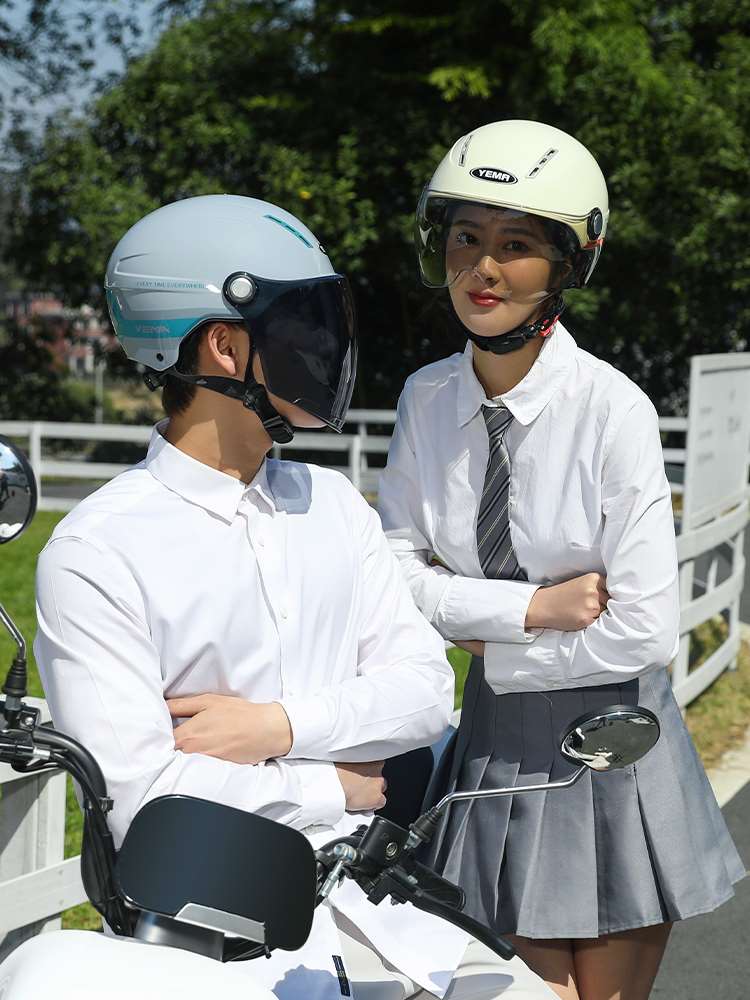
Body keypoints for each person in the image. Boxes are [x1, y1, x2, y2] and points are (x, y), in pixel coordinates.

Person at [35, 194, 556, 1000]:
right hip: (212, 945)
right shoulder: (97, 550)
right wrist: (334, 783)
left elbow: (422, 692)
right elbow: (148, 804)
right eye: (303, 323)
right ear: (223, 346)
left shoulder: (335, 505)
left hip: (390, 914)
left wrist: (273, 729)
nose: (328, 346)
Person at [378, 121, 745, 1000]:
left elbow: (643, 632)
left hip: (613, 742)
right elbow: (391, 575)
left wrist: (488, 651)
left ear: (565, 268)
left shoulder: (613, 410)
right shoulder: (424, 398)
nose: (484, 269)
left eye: (515, 246)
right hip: (495, 744)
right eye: (465, 239)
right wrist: (529, 614)